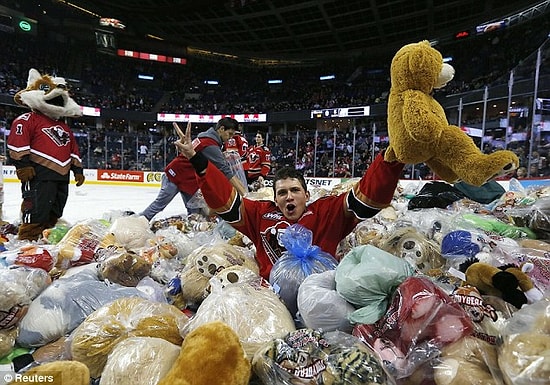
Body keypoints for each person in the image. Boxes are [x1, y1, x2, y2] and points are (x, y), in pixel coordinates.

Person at [174, 121, 404, 279]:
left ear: (307, 195)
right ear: (274, 198)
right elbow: (225, 201)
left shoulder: (327, 211)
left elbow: (367, 198)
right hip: (271, 297)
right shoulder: (260, 213)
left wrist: (390, 159)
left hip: (319, 297)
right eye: (282, 193)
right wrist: (196, 159)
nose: (289, 196)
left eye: (295, 190)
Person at [7, 68, 85, 241]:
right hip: (38, 174)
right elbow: (17, 142)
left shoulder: (64, 127)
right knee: (36, 208)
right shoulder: (27, 119)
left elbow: (73, 149)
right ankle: (27, 240)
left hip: (61, 176)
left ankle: (46, 236)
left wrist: (77, 169)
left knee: (56, 209)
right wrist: (23, 165)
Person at [140, 117, 247, 221]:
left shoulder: (206, 139)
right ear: (221, 129)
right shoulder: (210, 144)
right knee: (159, 205)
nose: (230, 138)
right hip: (176, 176)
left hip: (188, 180)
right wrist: (245, 194)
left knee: (195, 213)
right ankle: (136, 223)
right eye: (230, 134)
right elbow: (225, 171)